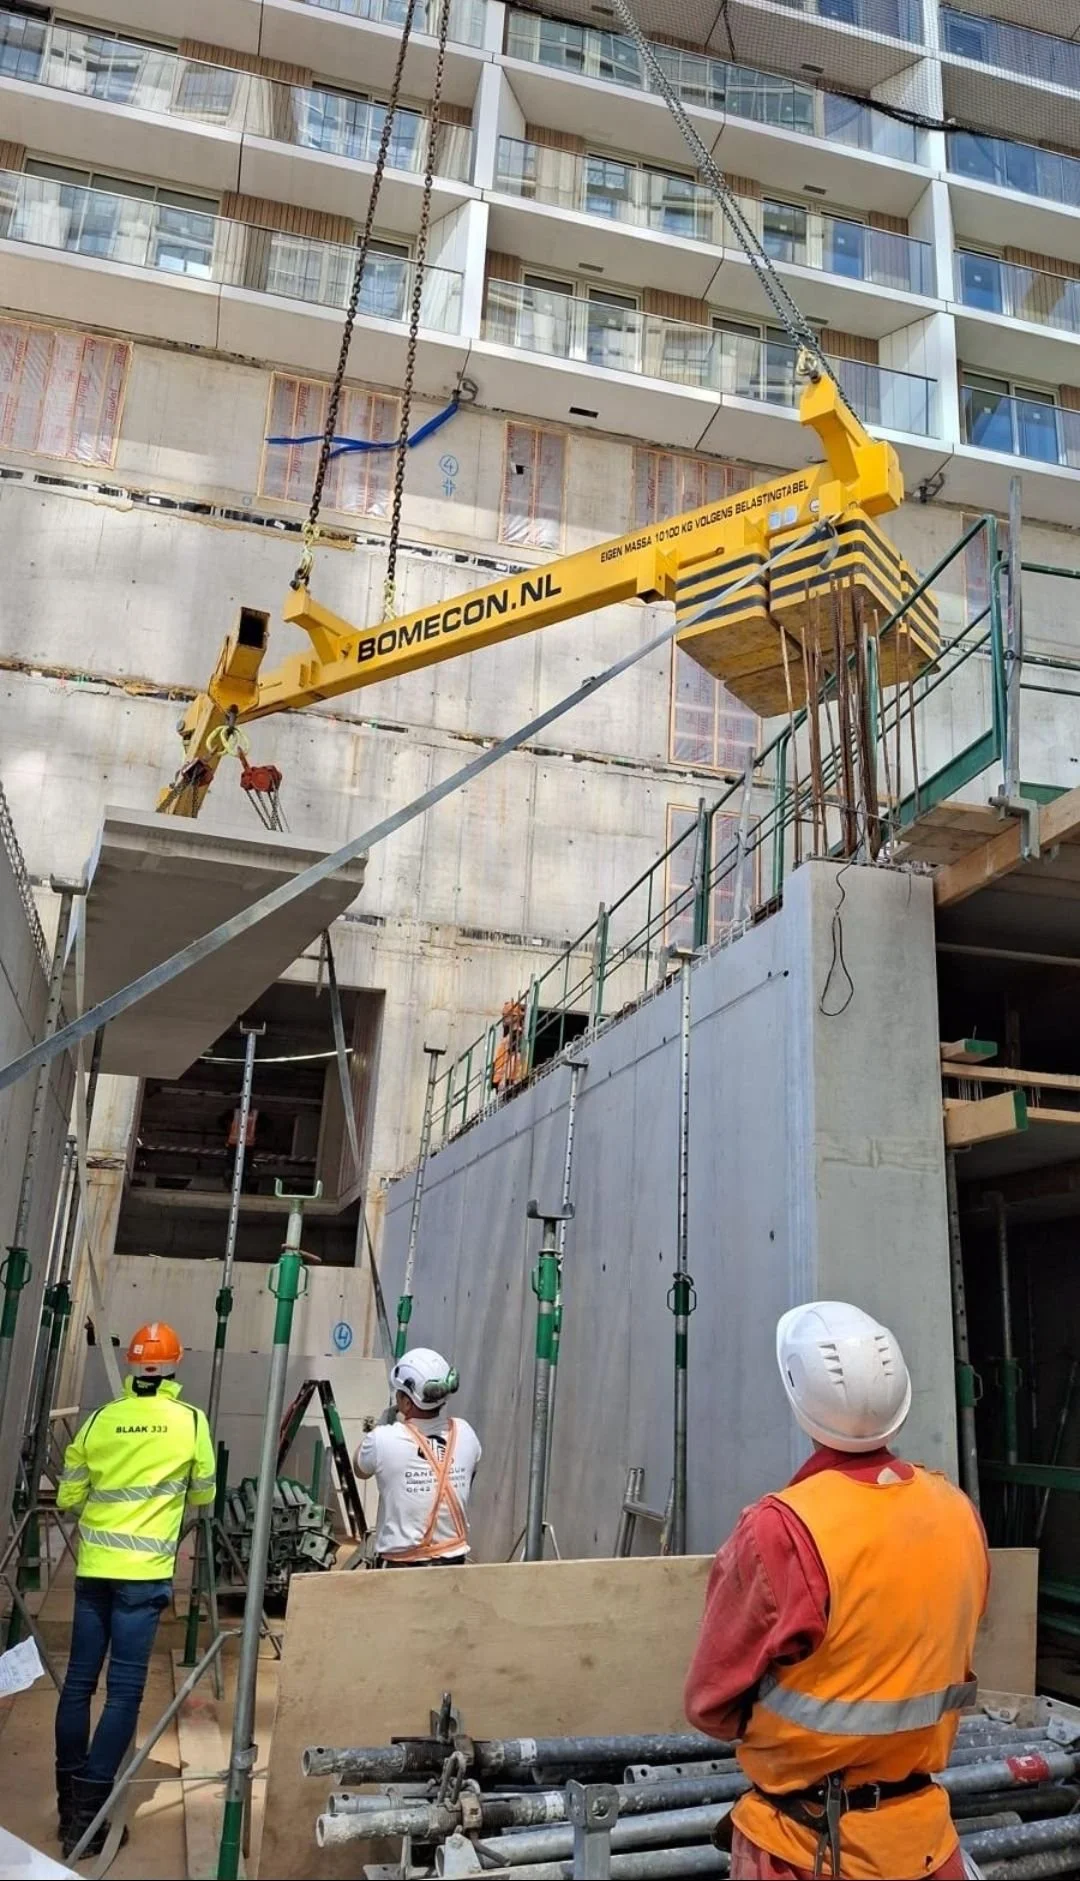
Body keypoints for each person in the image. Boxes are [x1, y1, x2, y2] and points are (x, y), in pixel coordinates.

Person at [685, 1300, 989, 1881]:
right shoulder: (957, 1513)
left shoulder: (782, 1530)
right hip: (924, 1839)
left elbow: (711, 1704)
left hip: (805, 1848)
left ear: (798, 1396)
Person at [54, 1321, 216, 1858]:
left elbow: (69, 1494)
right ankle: (90, 1819)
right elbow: (204, 1492)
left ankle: (66, 1803)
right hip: (143, 1575)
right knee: (123, 1692)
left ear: (131, 1366)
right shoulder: (190, 1422)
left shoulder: (100, 1419)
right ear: (176, 1363)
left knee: (79, 1683)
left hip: (95, 1569)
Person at [355, 1346, 481, 1566]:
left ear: (405, 1402)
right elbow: (471, 1473)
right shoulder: (466, 1432)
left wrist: (381, 1427)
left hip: (402, 1569)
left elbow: (360, 1469)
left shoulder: (383, 1439)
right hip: (454, 1564)